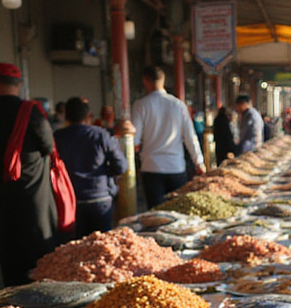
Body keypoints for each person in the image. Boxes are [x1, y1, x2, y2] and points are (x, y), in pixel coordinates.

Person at [0, 62, 57, 285]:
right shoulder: (31, 111)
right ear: (19, 85)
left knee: (9, 260)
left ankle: (14, 306)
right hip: (33, 200)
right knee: (39, 262)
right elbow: (48, 147)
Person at [130, 65, 204, 207]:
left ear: (145, 81)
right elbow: (190, 137)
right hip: (176, 167)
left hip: (152, 168)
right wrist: (198, 162)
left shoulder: (140, 105)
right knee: (177, 213)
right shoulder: (178, 105)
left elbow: (134, 141)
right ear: (163, 81)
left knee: (155, 213)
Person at [53, 96, 128, 237]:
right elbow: (121, 166)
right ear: (88, 115)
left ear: (66, 116)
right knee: (102, 247)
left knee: (76, 248)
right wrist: (106, 173)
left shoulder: (58, 137)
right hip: (100, 199)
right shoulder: (100, 135)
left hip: (71, 201)